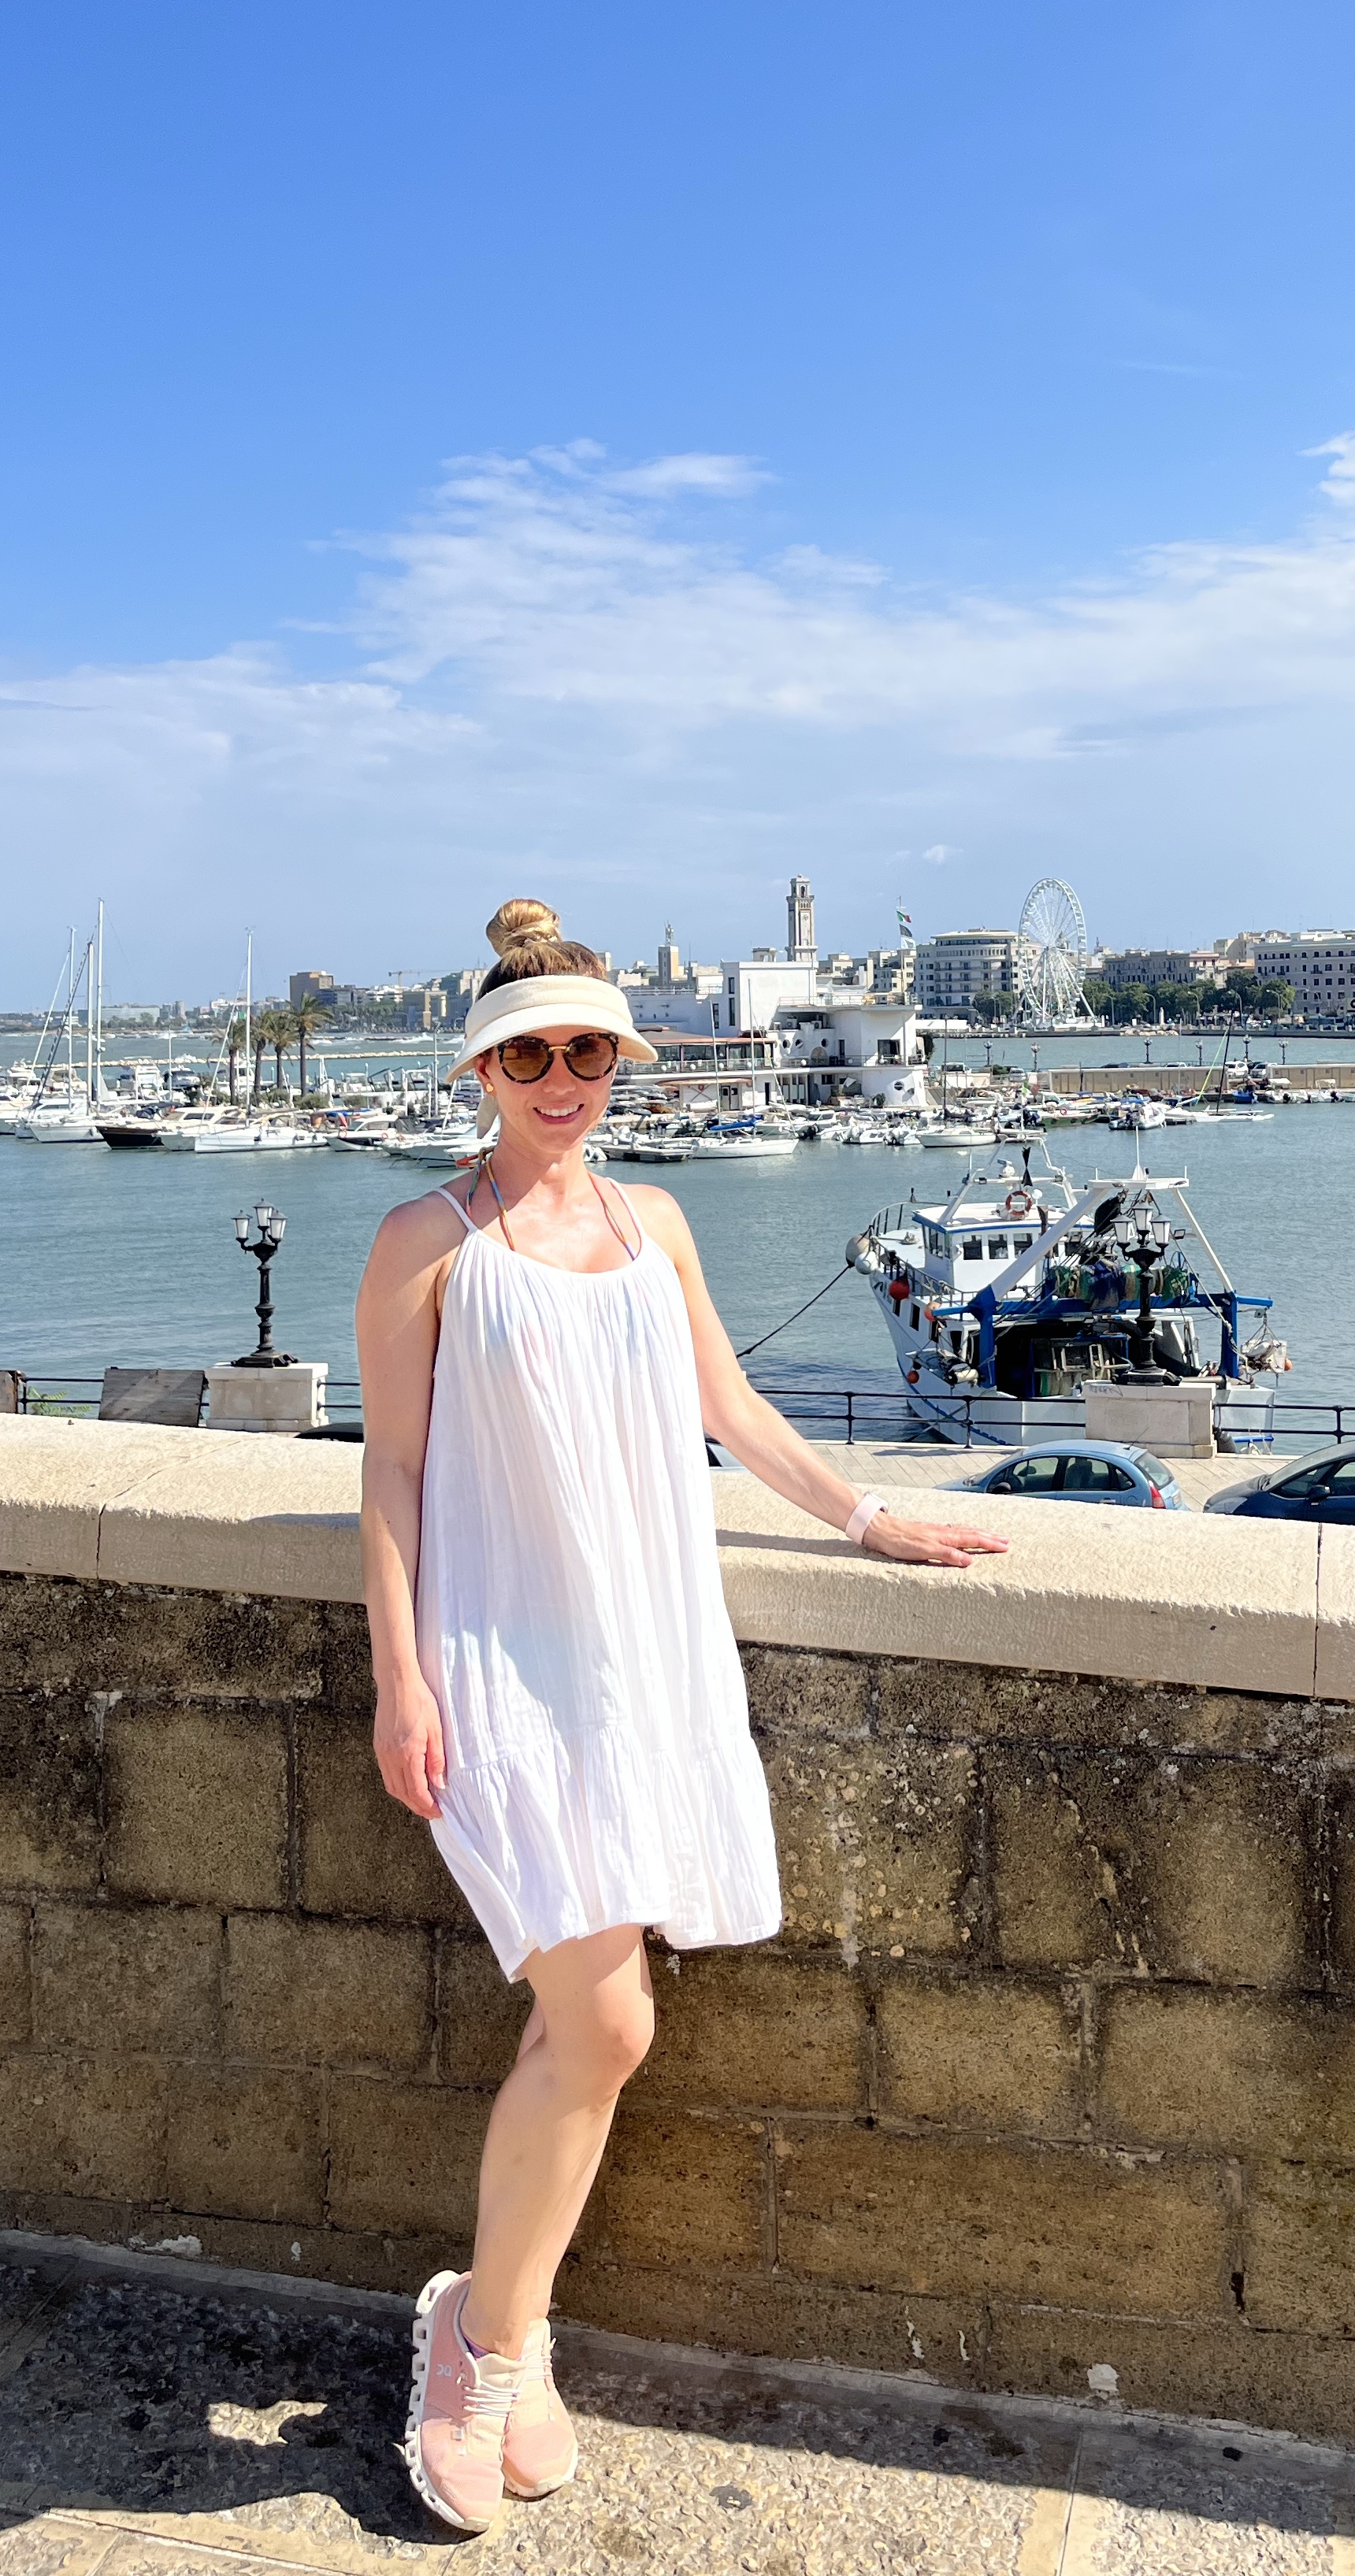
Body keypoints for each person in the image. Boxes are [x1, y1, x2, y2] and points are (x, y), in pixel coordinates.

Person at [356, 899, 1007, 2533]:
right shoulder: (427, 1241)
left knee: (581, 2032)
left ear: (619, 1065)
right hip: (503, 1663)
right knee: (608, 2026)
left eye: (589, 1053)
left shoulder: (655, 1223)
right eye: (531, 1056)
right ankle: (476, 2344)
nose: (562, 1080)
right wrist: (400, 1675)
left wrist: (871, 1517)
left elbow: (730, 1406)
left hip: (648, 1661)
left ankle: (507, 2331)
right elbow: (395, 1470)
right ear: (482, 1071)